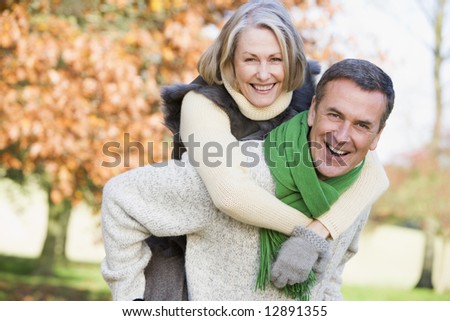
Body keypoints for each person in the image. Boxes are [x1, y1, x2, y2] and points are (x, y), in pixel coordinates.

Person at [101, 0, 389, 301]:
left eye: (275, 59)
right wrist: (309, 234)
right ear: (230, 61)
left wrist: (322, 231)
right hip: (183, 240)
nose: (264, 74)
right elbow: (230, 194)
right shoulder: (203, 104)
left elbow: (372, 171)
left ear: (290, 60)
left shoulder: (309, 98)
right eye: (250, 59)